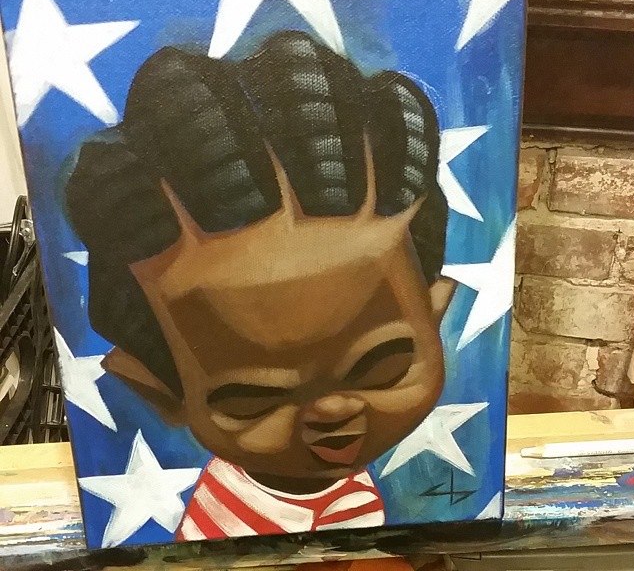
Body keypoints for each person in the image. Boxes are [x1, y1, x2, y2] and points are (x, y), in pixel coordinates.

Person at [65, 30, 452, 540]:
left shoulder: (347, 495)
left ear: (435, 312)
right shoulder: (220, 529)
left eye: (384, 366)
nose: (332, 412)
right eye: (252, 400)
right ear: (156, 389)